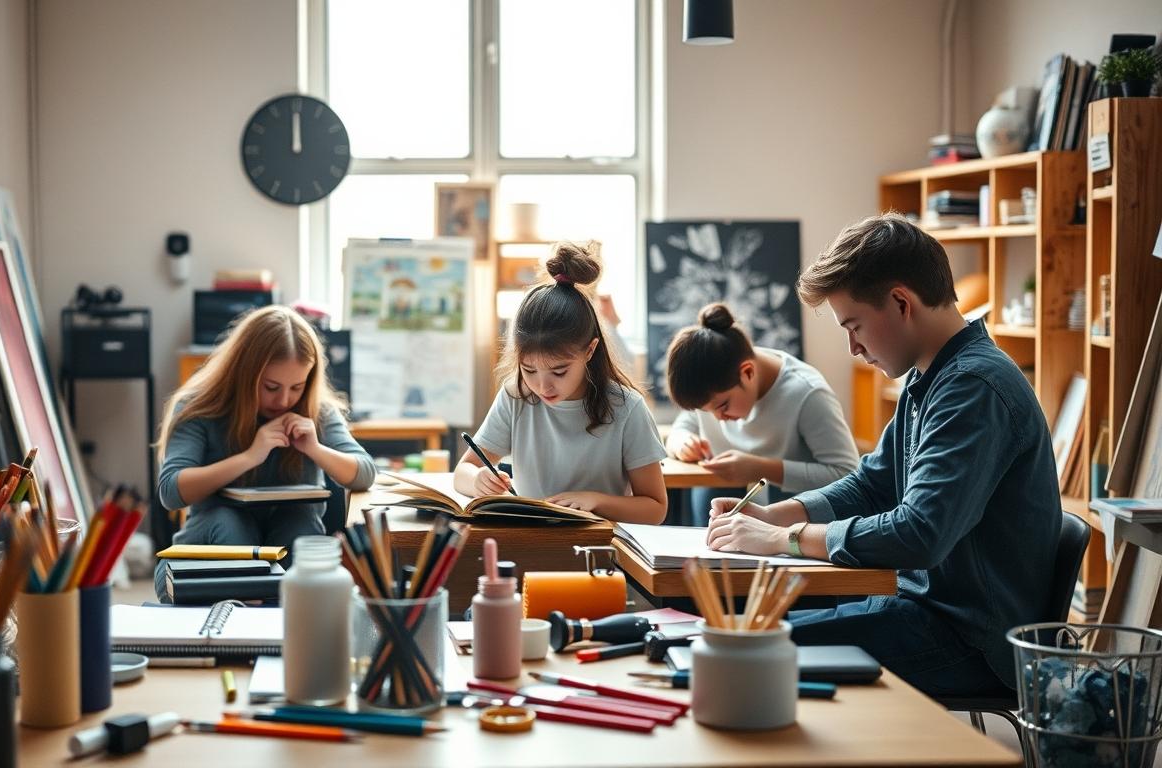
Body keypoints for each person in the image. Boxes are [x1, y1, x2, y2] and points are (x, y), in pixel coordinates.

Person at [704, 213, 1060, 696]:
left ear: (900, 303)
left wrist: (786, 539)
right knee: (731, 622)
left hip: (969, 638)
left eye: (854, 326)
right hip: (917, 606)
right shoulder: (931, 376)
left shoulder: (973, 388)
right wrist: (774, 514)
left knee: (740, 647)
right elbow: (873, 481)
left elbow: (919, 534)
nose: (852, 347)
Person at [153, 306, 375, 601]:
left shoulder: (316, 412)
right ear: (243, 373)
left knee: (300, 524)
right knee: (228, 522)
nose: (284, 400)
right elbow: (170, 491)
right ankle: (250, 617)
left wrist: (314, 448)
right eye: (271, 387)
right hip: (202, 560)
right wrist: (249, 457)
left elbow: (364, 473)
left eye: (297, 387)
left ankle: (273, 621)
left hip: (286, 552)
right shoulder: (201, 408)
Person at [453, 241, 667, 524]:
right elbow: (462, 472)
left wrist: (596, 501)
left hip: (601, 553)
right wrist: (478, 479)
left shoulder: (626, 407)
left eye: (559, 371)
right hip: (531, 546)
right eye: (529, 370)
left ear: (589, 351)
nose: (543, 386)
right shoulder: (516, 396)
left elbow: (655, 509)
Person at [665, 302, 858, 501]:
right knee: (705, 494)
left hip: (791, 511)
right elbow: (684, 424)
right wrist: (681, 441)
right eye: (705, 411)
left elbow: (847, 474)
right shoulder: (714, 379)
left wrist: (761, 469)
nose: (719, 419)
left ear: (747, 372)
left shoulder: (807, 393)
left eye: (723, 407)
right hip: (726, 496)